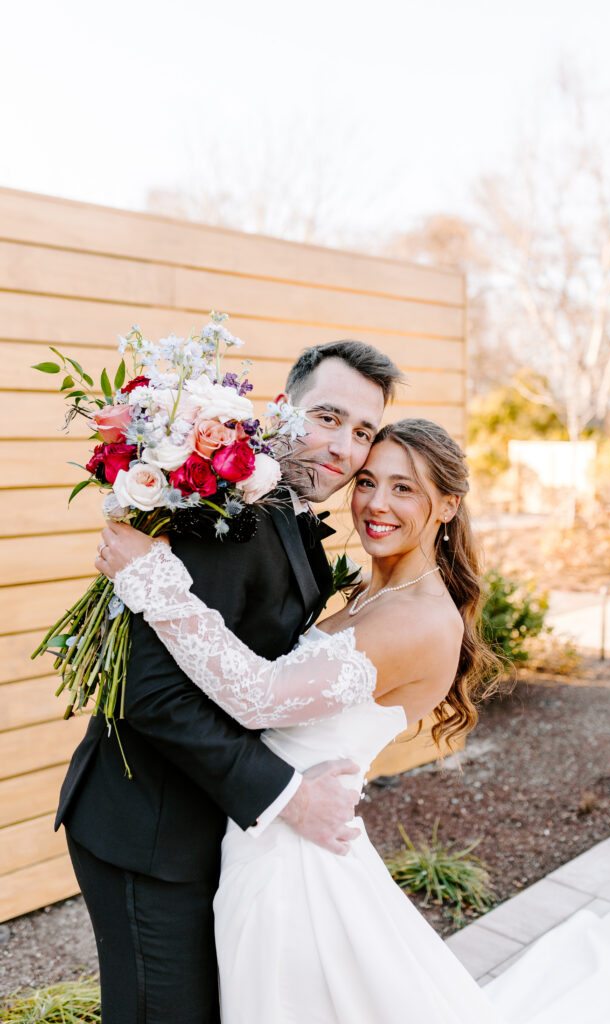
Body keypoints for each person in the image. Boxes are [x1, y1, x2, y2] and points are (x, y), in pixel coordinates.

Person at [98, 418, 610, 1024]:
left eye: (405, 489)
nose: (377, 504)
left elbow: (259, 698)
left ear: (448, 506)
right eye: (369, 481)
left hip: (295, 865)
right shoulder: (371, 595)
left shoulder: (423, 621)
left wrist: (153, 579)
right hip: (274, 832)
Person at [57, 340, 403, 1024]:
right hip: (146, 830)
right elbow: (146, 691)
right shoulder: (227, 520)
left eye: (362, 432)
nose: (342, 446)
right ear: (281, 410)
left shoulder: (288, 520)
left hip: (205, 825)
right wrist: (287, 797)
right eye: (327, 417)